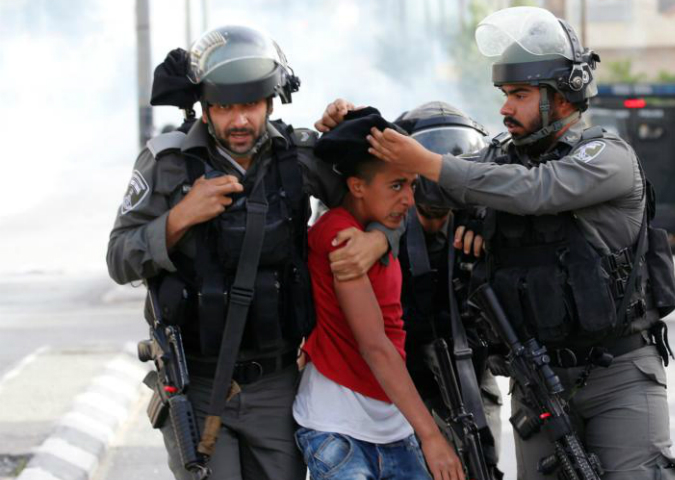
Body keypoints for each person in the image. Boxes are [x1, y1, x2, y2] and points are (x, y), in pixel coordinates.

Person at [322, 6, 675, 480]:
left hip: (618, 376)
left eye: (520, 94)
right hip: (537, 379)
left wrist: (432, 165)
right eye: (504, 94)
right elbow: (421, 196)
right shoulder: (497, 157)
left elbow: (537, 190)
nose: (505, 108)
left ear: (563, 96)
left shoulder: (605, 158)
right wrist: (358, 131)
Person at [106, 26, 400, 480]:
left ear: (270, 102)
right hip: (199, 385)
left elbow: (385, 198)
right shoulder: (165, 163)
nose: (238, 121)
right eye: (224, 107)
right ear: (204, 107)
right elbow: (119, 258)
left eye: (249, 105)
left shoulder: (300, 156)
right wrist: (180, 217)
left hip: (277, 383)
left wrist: (379, 238)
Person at [292, 107, 465, 480]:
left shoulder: (379, 231)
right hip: (339, 428)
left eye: (411, 185)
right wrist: (432, 436)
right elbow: (375, 345)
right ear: (357, 187)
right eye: (396, 186)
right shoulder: (341, 235)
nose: (408, 200)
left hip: (390, 425)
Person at [394, 101, 504, 478]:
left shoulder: (479, 219)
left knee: (481, 466)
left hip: (471, 371)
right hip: (403, 379)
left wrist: (485, 233)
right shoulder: (383, 222)